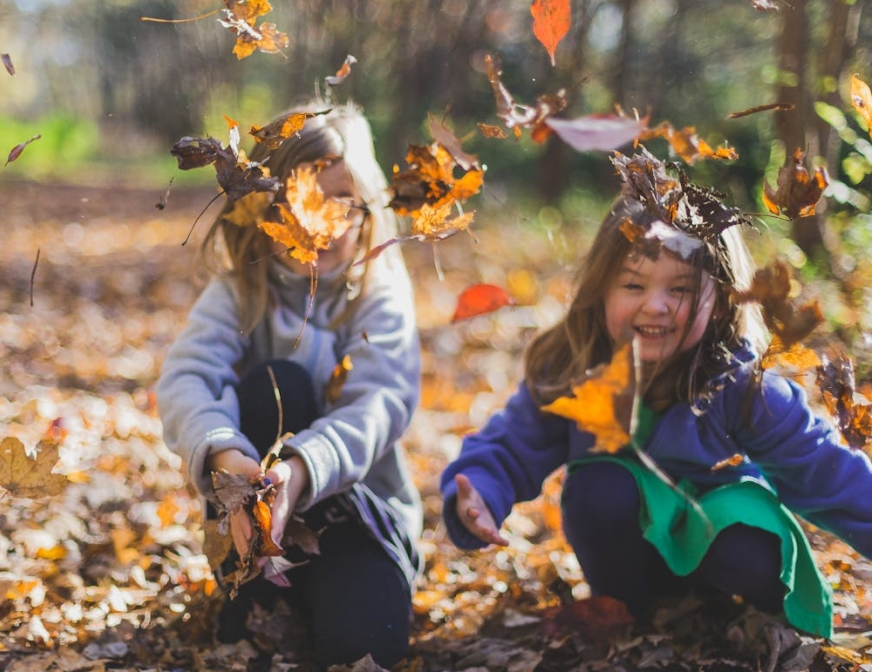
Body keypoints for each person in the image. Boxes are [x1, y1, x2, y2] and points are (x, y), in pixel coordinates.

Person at [440, 183, 872, 639]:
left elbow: (827, 472)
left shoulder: (743, 387)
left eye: (681, 289)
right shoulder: (576, 367)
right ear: (601, 290)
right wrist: (480, 492)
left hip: (725, 544)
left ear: (722, 300)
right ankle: (629, 615)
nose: (656, 305)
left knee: (740, 534)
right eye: (633, 284)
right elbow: (513, 442)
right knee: (599, 485)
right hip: (632, 554)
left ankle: (742, 618)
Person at [156, 101, 422, 668]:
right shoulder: (239, 293)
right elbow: (187, 377)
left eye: (339, 202)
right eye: (297, 200)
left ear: (366, 206)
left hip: (358, 521)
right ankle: (253, 588)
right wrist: (226, 454)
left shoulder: (377, 292)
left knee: (366, 648)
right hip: (252, 526)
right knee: (276, 382)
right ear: (260, 209)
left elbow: (380, 402)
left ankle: (340, 595)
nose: (318, 223)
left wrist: (299, 472)